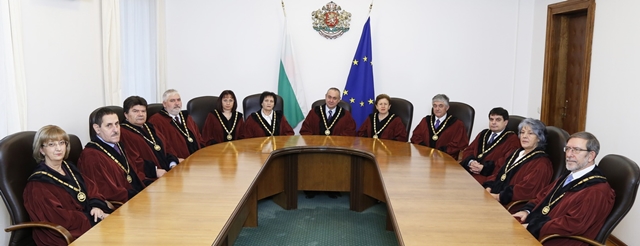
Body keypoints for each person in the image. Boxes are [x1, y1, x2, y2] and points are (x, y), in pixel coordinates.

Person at [512, 132, 615, 246]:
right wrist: (527, 211)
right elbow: (544, 195)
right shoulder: (571, 175)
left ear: (591, 156)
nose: (569, 154)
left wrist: (533, 226)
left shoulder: (596, 191)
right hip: (540, 230)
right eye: (568, 149)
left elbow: (572, 224)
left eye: (576, 150)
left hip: (556, 240)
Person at [24, 125, 113, 246]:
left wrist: (96, 206)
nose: (58, 148)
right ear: (41, 150)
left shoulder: (69, 167)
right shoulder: (37, 185)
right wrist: (93, 219)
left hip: (88, 221)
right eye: (51, 144)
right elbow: (59, 217)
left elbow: (91, 187)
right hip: (63, 235)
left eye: (61, 143)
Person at [78, 107, 145, 204]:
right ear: (97, 128)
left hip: (136, 196)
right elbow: (105, 192)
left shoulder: (117, 144)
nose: (116, 130)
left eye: (117, 124)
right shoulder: (91, 156)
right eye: (109, 125)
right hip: (123, 206)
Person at [483, 118, 553, 208]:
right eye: (522, 132)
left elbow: (527, 189)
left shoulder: (541, 164)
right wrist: (489, 187)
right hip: (493, 197)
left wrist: (499, 197)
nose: (524, 136)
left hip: (510, 205)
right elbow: (498, 171)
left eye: (530, 133)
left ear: (539, 138)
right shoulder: (516, 153)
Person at [120, 96, 181, 185]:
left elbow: (167, 147)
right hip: (149, 178)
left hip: (167, 173)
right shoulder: (123, 133)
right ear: (126, 114)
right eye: (135, 111)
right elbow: (132, 160)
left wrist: (172, 163)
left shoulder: (149, 127)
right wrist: (154, 171)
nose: (140, 114)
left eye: (143, 111)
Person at [460, 107, 521, 184]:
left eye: (498, 120)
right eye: (491, 119)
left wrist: (484, 168)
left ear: (505, 122)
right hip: (470, 169)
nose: (493, 122)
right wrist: (471, 162)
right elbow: (469, 150)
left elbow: (506, 163)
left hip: (489, 176)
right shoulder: (484, 133)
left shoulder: (512, 140)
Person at [148, 89, 206, 158]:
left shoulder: (187, 117)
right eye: (172, 101)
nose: (177, 103)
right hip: (178, 162)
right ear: (164, 104)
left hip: (198, 159)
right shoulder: (156, 121)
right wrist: (174, 160)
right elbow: (162, 146)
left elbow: (199, 138)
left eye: (178, 100)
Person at [410, 94, 468, 160]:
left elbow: (459, 144)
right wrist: (425, 149)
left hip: (446, 161)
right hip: (425, 158)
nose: (437, 109)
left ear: (447, 107)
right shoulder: (426, 120)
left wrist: (440, 152)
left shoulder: (457, 124)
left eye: (441, 106)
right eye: (435, 106)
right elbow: (415, 137)